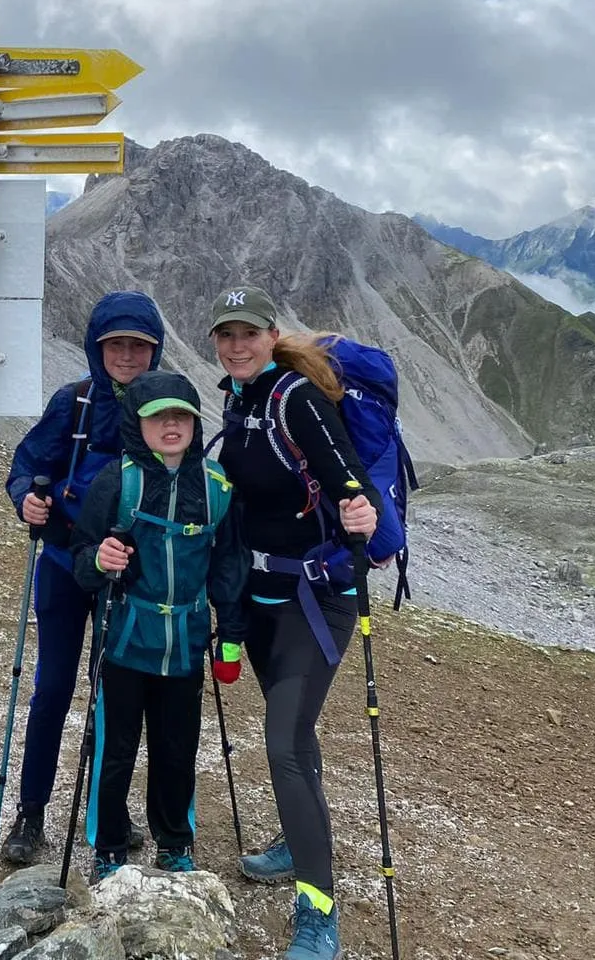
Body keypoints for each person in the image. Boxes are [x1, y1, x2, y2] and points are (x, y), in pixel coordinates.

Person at [207, 284, 380, 960]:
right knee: (296, 735)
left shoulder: (296, 398)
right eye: (227, 335)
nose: (238, 344)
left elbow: (349, 477)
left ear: (272, 335)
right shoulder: (237, 397)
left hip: (316, 599)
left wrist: (359, 509)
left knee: (281, 741)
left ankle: (319, 911)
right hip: (260, 599)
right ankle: (296, 840)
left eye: (249, 333)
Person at [0, 291, 165, 864]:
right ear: (97, 347)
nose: (126, 354)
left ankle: (107, 810)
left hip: (127, 574)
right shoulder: (70, 405)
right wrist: (27, 501)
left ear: (155, 350)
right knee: (52, 690)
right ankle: (31, 812)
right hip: (67, 566)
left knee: (115, 694)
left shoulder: (163, 411)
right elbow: (24, 467)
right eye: (115, 344)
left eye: (138, 345)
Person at [69, 370, 246, 879]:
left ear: (194, 422)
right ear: (137, 424)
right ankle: (108, 845)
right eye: (157, 416)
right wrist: (99, 562)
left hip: (186, 647)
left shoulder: (217, 489)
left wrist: (231, 636)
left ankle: (175, 840)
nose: (171, 425)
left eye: (181, 415)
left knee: (178, 749)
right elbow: (82, 556)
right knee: (115, 747)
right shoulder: (116, 482)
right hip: (123, 641)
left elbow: (229, 566)